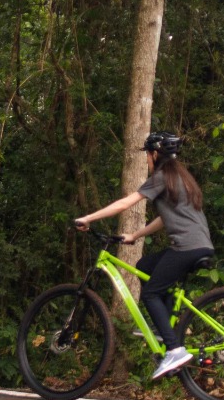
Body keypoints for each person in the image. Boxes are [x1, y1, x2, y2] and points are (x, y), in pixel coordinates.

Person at [75, 131, 215, 381]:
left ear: (154, 154)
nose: (147, 161)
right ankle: (167, 330)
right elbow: (166, 217)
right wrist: (136, 235)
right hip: (200, 245)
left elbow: (124, 204)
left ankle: (174, 349)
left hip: (185, 247)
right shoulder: (182, 178)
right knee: (145, 265)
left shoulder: (161, 177)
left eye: (147, 156)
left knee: (150, 293)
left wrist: (88, 218)